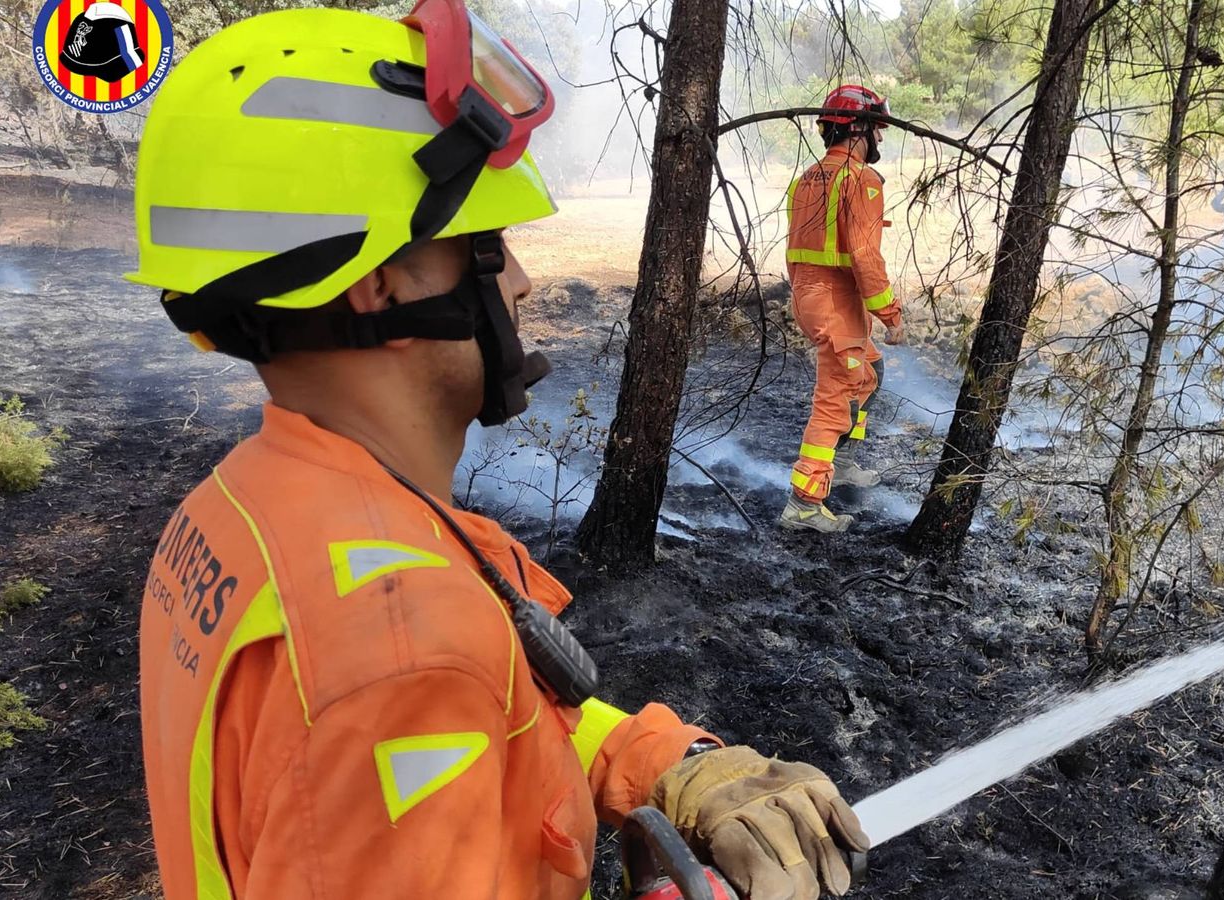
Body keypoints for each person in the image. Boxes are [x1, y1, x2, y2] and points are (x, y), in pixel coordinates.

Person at [126, 6, 868, 898]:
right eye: (487, 246)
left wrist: (673, 762)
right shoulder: (400, 658)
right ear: (374, 284)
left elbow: (510, 724)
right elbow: (421, 708)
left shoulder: (251, 509)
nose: (519, 278)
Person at [780, 84, 905, 534]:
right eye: (878, 131)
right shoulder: (861, 181)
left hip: (815, 298)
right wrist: (890, 313)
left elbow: (796, 254)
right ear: (859, 130)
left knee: (871, 372)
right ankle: (804, 503)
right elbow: (865, 256)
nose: (881, 141)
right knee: (835, 399)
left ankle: (845, 460)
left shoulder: (807, 179)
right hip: (837, 304)